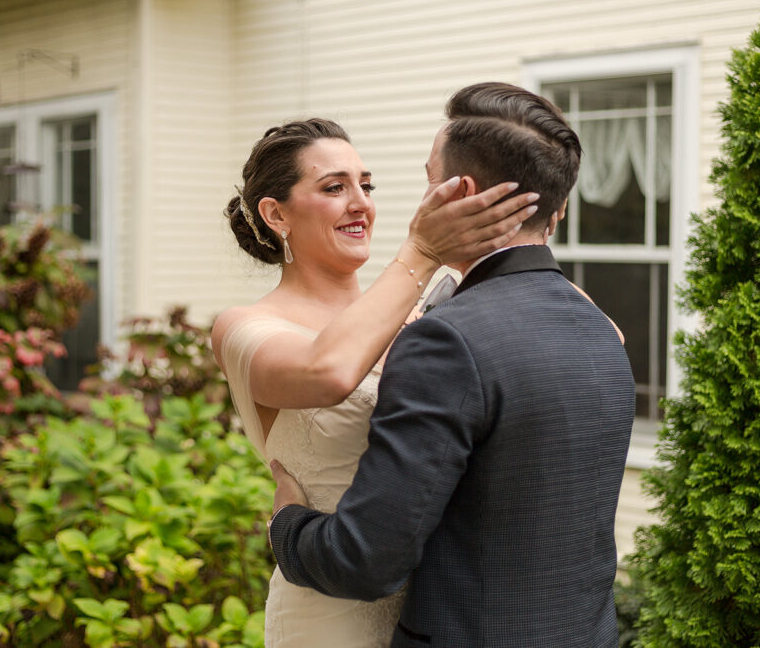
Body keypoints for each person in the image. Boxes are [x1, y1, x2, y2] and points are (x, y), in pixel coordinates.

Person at [268, 83, 636, 647]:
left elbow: (368, 560)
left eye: (427, 179)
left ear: (457, 193)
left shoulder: (447, 340)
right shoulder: (603, 331)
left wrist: (288, 526)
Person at [211, 117, 539, 646]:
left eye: (366, 185)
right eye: (333, 187)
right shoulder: (244, 327)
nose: (360, 202)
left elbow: (598, 333)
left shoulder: (427, 308)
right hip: (331, 607)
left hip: (444, 605)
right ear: (276, 214)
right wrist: (422, 253)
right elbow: (329, 372)